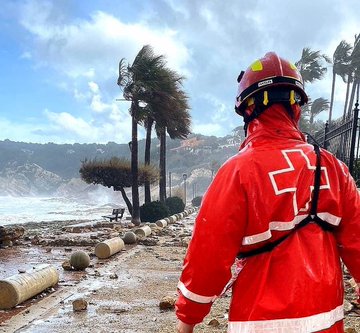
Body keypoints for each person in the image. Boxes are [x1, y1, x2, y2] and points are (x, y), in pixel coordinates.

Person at [175, 52, 360, 333]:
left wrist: (187, 320)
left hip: (258, 321)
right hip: (327, 321)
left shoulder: (236, 171)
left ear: (247, 111)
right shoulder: (333, 168)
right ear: (296, 108)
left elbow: (207, 258)